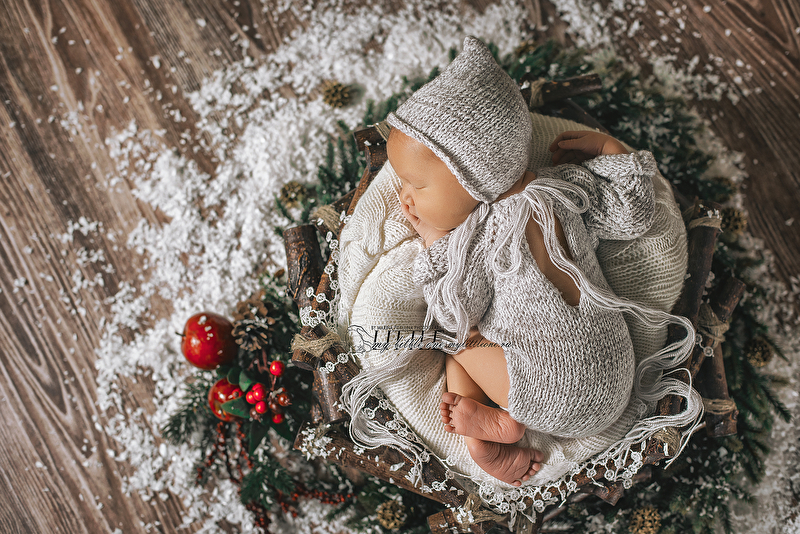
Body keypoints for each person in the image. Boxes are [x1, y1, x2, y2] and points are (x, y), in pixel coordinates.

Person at [384, 36, 695, 487]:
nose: (404, 197)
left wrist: (435, 242)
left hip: (542, 383)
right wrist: (611, 151)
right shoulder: (564, 190)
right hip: (613, 375)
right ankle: (499, 418)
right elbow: (635, 212)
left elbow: (455, 310)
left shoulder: (477, 236)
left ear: (473, 176)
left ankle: (497, 428)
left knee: (453, 344)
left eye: (416, 185)